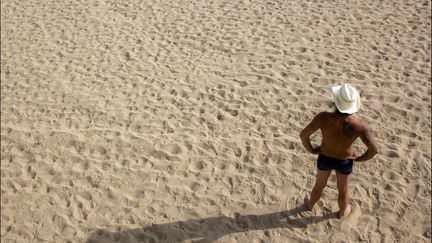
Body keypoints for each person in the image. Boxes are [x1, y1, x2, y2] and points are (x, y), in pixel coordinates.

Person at [299, 84, 378, 218]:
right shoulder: (358, 125)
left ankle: (310, 204)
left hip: (325, 157)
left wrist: (312, 150)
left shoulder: (323, 117)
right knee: (343, 190)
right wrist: (359, 159)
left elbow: (303, 135)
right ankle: (342, 212)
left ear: (336, 101)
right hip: (344, 161)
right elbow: (374, 150)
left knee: (319, 185)